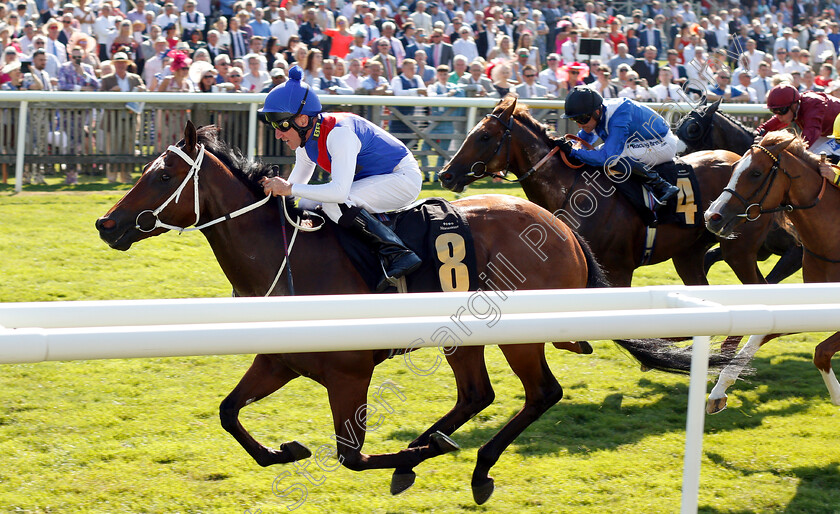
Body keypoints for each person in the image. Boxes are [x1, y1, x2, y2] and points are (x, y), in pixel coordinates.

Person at [258, 65, 423, 291]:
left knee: (333, 203)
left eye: (281, 125)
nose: (277, 134)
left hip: (402, 178)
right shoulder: (305, 142)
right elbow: (295, 190)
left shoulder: (339, 133)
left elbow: (337, 192)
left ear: (303, 121)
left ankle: (397, 252)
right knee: (306, 203)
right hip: (377, 178)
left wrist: (288, 189)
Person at [558, 86, 680, 209]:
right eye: (575, 119)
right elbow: (583, 141)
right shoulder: (597, 113)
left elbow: (607, 157)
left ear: (597, 112)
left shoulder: (619, 115)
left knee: (615, 157)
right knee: (597, 153)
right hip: (642, 142)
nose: (579, 125)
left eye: (582, 119)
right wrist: (567, 146)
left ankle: (662, 186)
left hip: (662, 143)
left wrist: (574, 152)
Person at [758, 83, 840, 152]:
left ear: (794, 106)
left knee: (815, 156)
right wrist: (758, 133)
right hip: (830, 134)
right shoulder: (793, 108)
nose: (778, 116)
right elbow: (768, 126)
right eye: (774, 111)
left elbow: (808, 139)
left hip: (836, 135)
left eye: (781, 110)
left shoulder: (813, 105)